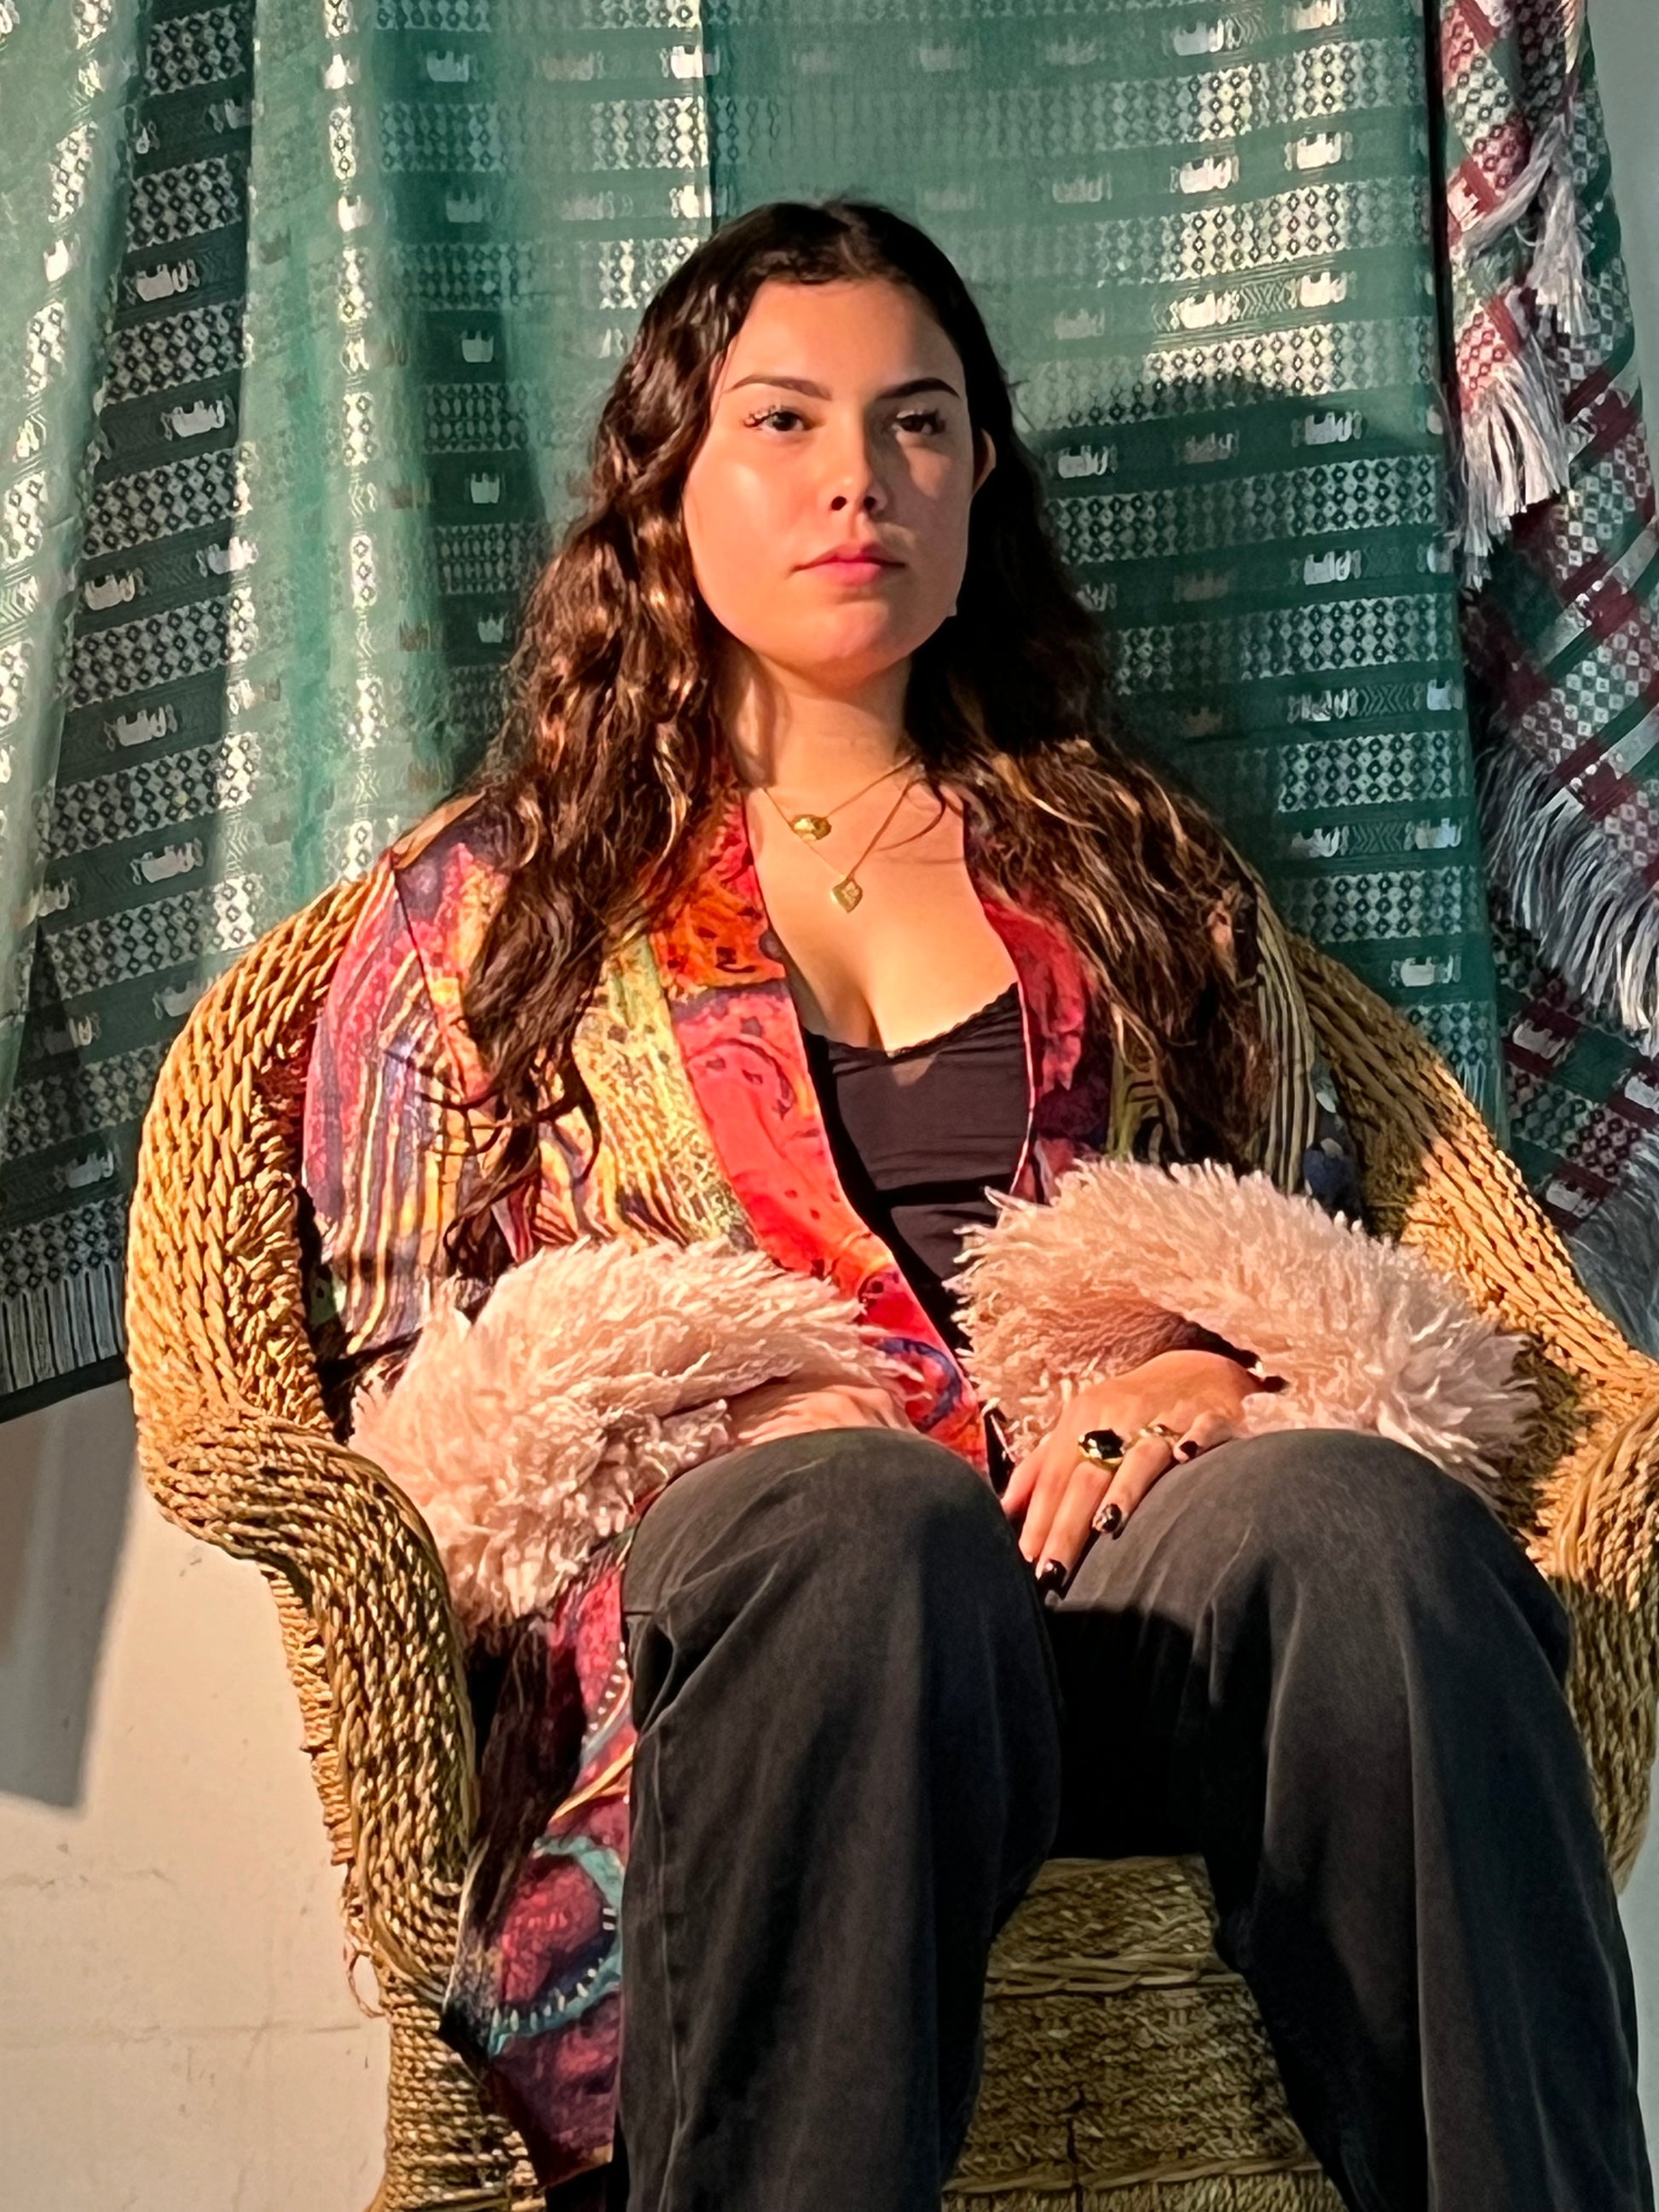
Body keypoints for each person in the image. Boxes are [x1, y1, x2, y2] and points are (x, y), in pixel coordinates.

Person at [298, 198, 1652, 2212]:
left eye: (914, 422)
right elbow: (403, 1378)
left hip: (1114, 1581)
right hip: (758, 1636)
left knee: (1362, 1532)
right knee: (863, 1523)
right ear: (666, 480)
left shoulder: (1132, 865)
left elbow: (1305, 1223)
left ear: (977, 477)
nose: (857, 476)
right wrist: (719, 1413)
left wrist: (1208, 1378)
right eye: (783, 419)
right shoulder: (491, 906)